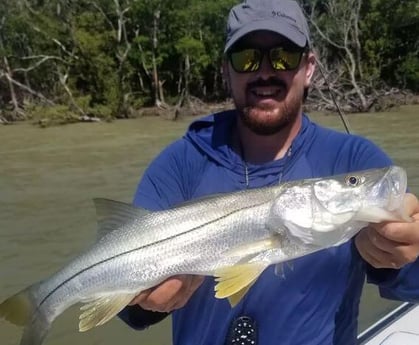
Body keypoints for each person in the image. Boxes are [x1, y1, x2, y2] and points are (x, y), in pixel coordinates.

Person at [119, 0, 419, 344]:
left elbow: (414, 284)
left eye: (283, 56)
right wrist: (146, 303)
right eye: (247, 57)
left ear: (308, 68)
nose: (265, 72)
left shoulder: (356, 160)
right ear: (225, 70)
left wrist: (396, 255)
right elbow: (127, 308)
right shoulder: (179, 164)